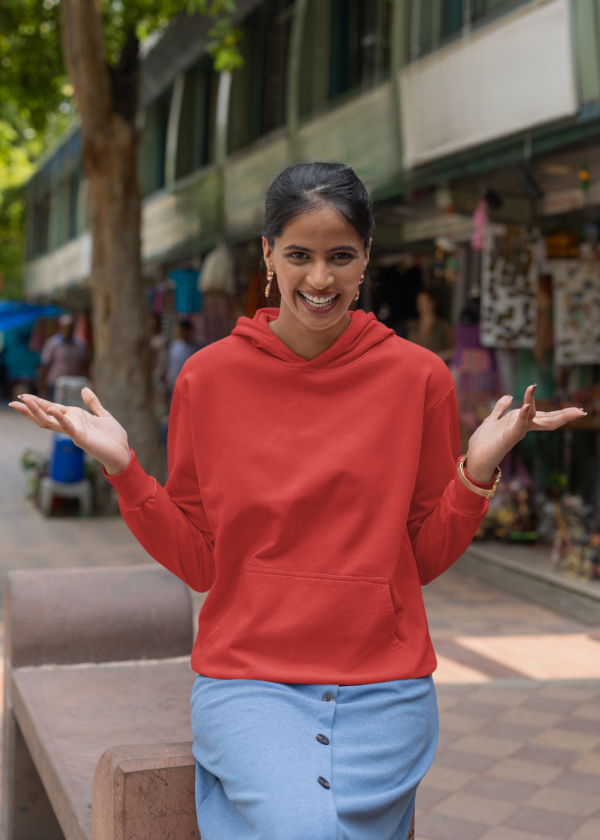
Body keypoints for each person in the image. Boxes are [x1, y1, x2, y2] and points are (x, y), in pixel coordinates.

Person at [10, 162, 584, 840]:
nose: (320, 279)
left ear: (367, 257)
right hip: (249, 683)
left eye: (341, 256)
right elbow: (201, 564)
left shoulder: (419, 378)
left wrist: (476, 473)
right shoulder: (208, 378)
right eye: (300, 255)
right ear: (268, 255)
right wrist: (126, 470)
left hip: (385, 688)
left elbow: (420, 558)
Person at [39, 313, 89, 401]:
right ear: (61, 327)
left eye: (70, 328)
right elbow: (45, 365)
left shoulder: (81, 344)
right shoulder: (52, 343)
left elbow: (85, 365)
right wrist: (42, 387)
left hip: (75, 384)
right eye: (65, 328)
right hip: (55, 384)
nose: (68, 331)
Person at [404, 288, 455, 362]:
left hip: (434, 367)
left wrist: (435, 358)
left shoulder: (443, 326)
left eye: (426, 301)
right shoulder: (410, 325)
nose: (423, 305)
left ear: (433, 302)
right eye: (420, 302)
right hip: (413, 366)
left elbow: (453, 350)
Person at [166, 319, 200, 401]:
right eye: (180, 330)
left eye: (183, 330)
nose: (181, 332)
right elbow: (169, 366)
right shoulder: (174, 348)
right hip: (174, 387)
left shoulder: (196, 349)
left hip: (190, 389)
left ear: (189, 331)